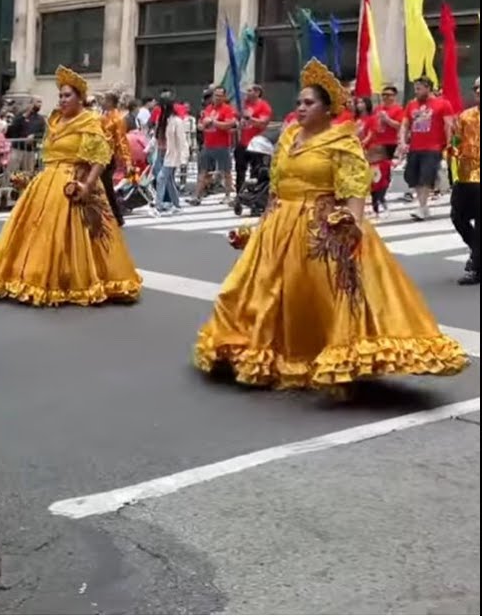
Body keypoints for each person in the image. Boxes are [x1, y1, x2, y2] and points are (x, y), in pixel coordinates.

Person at [195, 59, 467, 394]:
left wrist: (351, 225)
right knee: (257, 292)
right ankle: (263, 351)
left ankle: (323, 357)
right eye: (299, 102)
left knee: (317, 295)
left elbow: (354, 189)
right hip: (279, 228)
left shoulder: (342, 141)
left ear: (327, 110)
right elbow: (276, 188)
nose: (300, 108)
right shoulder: (288, 136)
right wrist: (259, 226)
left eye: (309, 103)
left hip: (320, 227)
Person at [0, 66, 143, 306]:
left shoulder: (90, 121)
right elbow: (48, 155)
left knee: (73, 237)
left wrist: (88, 185)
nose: (62, 100)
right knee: (36, 233)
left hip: (74, 182)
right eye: (60, 95)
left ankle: (69, 279)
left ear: (80, 98)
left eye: (67, 95)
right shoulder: (55, 121)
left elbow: (100, 156)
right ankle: (31, 275)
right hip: (47, 182)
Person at [399, 77, 457, 221]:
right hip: (415, 147)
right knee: (414, 177)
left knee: (425, 176)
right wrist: (402, 142)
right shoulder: (411, 105)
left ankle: (422, 206)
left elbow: (448, 125)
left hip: (433, 147)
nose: (416, 91)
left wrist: (448, 143)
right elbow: (404, 125)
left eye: (419, 89)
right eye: (415, 88)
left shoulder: (443, 104)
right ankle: (423, 206)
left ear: (427, 88)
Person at [451, 77, 479, 285]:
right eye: (477, 89)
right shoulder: (465, 116)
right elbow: (455, 141)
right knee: (457, 216)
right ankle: (477, 251)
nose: (479, 92)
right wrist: (452, 152)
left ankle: (476, 266)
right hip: (465, 175)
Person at [191, 86, 237, 206]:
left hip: (222, 145)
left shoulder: (227, 109)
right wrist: (202, 126)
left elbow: (228, 125)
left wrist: (213, 122)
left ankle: (228, 195)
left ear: (224, 97)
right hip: (208, 144)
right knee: (203, 171)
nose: (217, 98)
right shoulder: (208, 109)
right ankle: (197, 196)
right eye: (216, 95)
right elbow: (200, 124)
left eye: (220, 95)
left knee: (226, 171)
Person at [99, 91, 131, 226]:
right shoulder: (104, 115)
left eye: (104, 100)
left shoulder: (117, 118)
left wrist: (127, 160)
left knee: (107, 187)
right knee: (103, 187)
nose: (102, 102)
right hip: (100, 154)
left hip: (109, 156)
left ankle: (117, 216)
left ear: (110, 102)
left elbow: (122, 140)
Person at [235, 85, 273, 192]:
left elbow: (263, 123)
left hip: (257, 144)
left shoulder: (264, 106)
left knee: (256, 171)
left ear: (257, 93)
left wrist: (249, 118)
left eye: (249, 90)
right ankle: (239, 193)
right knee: (240, 170)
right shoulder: (245, 104)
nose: (247, 93)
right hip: (243, 142)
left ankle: (254, 193)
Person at [156, 96, 190, 215]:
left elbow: (182, 140)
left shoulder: (176, 121)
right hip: (161, 153)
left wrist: (184, 157)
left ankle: (158, 205)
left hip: (172, 154)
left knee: (161, 178)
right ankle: (176, 204)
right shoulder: (162, 120)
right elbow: (157, 137)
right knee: (169, 180)